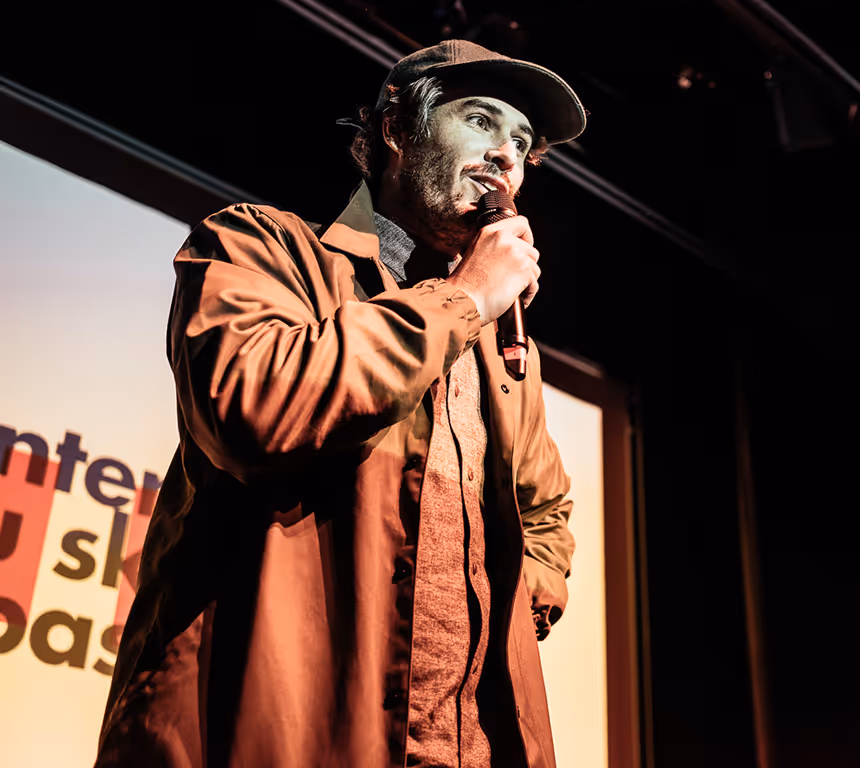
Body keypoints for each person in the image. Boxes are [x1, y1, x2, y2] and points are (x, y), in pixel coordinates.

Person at [95, 39, 587, 768]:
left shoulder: (501, 348)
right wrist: (464, 298)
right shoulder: (258, 246)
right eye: (482, 121)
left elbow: (545, 517)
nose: (507, 157)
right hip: (288, 733)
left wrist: (511, 607)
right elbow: (255, 410)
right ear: (395, 130)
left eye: (523, 143)